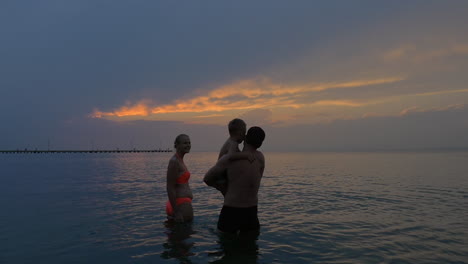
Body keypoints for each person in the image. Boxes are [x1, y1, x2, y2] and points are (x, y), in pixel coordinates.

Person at [204, 126, 266, 235]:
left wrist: (223, 189)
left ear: (245, 138)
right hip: (251, 212)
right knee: (250, 249)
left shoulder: (228, 159)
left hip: (231, 210)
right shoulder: (260, 159)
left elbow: (207, 179)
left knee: (225, 247)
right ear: (260, 144)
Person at [166, 134, 193, 222]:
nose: (188, 145)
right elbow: (170, 187)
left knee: (181, 234)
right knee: (184, 234)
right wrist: (176, 211)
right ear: (177, 145)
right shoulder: (174, 162)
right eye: (185, 143)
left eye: (189, 143)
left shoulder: (180, 160)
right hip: (179, 204)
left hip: (181, 204)